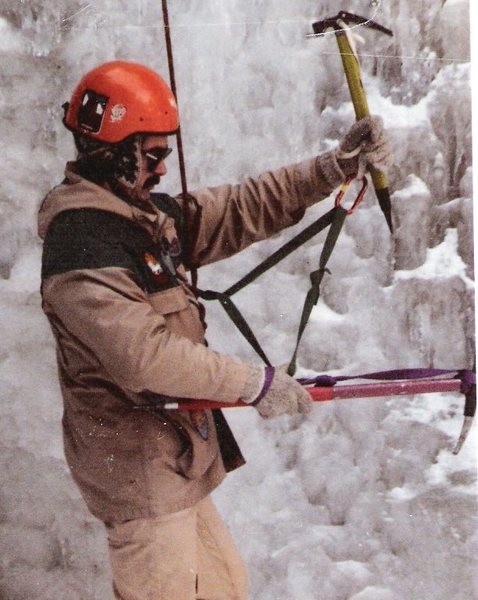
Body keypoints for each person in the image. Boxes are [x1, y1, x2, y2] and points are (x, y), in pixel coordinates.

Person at [38, 61, 392, 600]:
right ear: (115, 154)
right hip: (141, 477)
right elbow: (146, 359)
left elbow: (236, 208)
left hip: (172, 463)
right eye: (152, 155)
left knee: (225, 587)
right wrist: (255, 383)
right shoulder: (83, 248)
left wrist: (329, 170)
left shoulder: (137, 218)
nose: (162, 169)